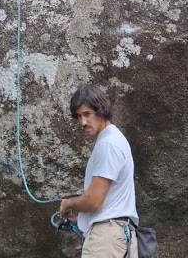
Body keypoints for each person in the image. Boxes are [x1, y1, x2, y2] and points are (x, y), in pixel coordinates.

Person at [59, 84, 139, 258]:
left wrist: (69, 204)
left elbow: (94, 201)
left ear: (101, 111)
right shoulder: (115, 139)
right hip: (119, 236)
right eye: (79, 116)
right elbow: (109, 202)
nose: (83, 122)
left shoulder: (108, 144)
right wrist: (83, 220)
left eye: (87, 114)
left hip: (107, 240)